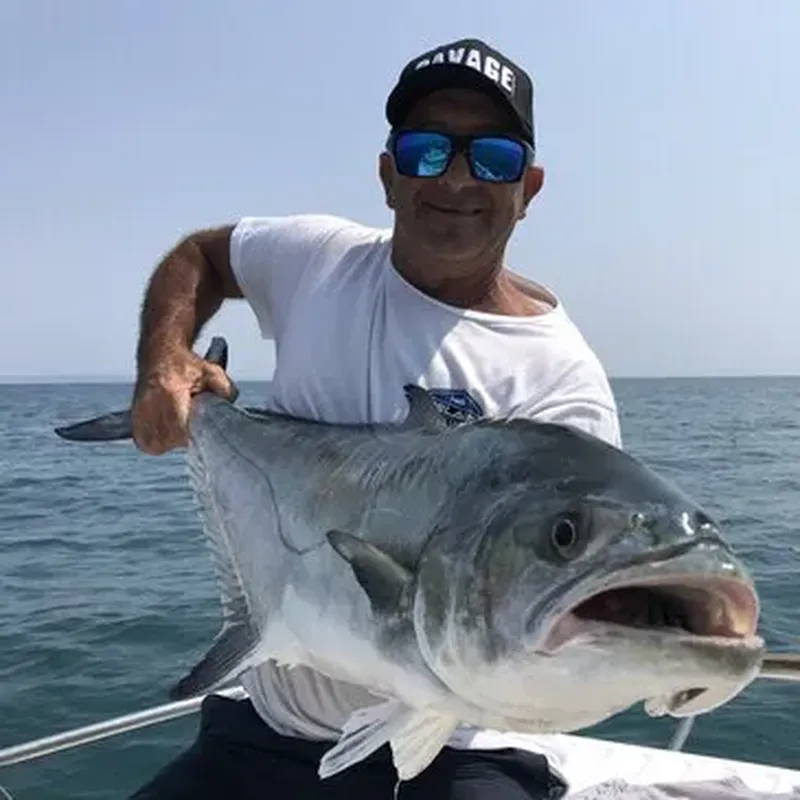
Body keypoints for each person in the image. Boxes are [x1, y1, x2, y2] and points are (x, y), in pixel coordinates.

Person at [127, 36, 621, 800]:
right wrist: (168, 362)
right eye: (427, 151)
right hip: (268, 728)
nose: (456, 178)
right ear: (388, 174)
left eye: (490, 157)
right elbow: (202, 257)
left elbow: (562, 612)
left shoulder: (559, 380)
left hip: (454, 744)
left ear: (530, 185)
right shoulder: (317, 259)